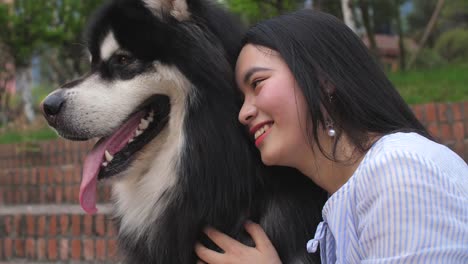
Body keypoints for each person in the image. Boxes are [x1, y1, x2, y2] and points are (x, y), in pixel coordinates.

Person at [194, 9, 468, 264]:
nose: (243, 113)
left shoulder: (397, 171)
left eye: (257, 83)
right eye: (241, 99)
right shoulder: (342, 206)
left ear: (323, 78)